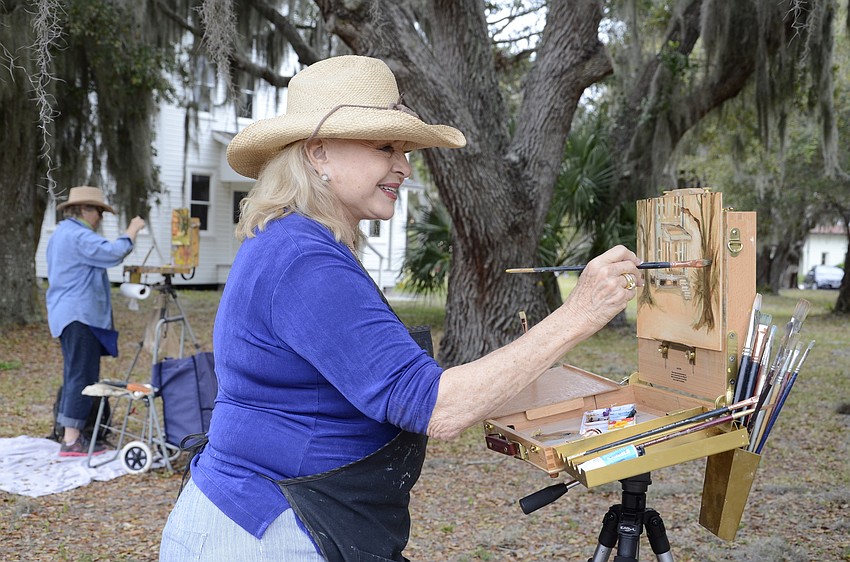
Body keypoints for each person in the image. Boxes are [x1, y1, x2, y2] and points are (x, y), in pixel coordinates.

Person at [159, 55, 642, 562]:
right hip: (266, 531)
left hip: (293, 519)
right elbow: (435, 407)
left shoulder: (302, 244)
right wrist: (580, 313)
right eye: (385, 147)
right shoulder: (304, 261)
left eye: (405, 150)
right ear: (318, 152)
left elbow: (391, 383)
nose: (404, 167)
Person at [46, 186, 146, 457]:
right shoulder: (78, 236)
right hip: (79, 315)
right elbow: (113, 252)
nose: (100, 217)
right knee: (82, 377)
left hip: (67, 314)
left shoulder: (62, 234)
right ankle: (71, 441)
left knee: (76, 374)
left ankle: (75, 434)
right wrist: (132, 230)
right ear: (83, 210)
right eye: (98, 211)